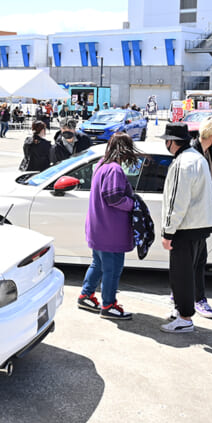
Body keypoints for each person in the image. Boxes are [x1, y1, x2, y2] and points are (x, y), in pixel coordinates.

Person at [159, 117, 212, 334]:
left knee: (181, 274)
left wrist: (168, 230)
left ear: (171, 142)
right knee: (188, 272)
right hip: (200, 225)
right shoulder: (197, 158)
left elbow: (177, 200)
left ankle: (185, 317)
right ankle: (182, 312)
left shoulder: (183, 162)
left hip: (185, 228)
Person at [77, 134, 141, 320]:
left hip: (98, 228)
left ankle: (86, 295)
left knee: (98, 263)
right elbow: (114, 198)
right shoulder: (115, 170)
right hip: (110, 231)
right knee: (113, 269)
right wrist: (132, 203)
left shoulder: (101, 164)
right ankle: (108, 305)